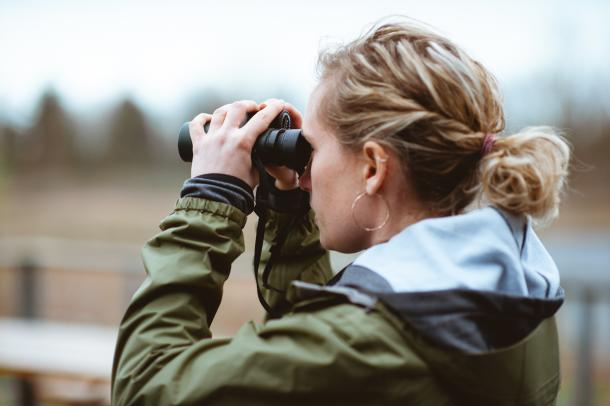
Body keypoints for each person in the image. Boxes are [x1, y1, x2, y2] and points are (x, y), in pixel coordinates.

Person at [112, 18, 570, 405]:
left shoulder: (366, 343)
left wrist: (212, 197)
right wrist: (291, 205)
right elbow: (310, 357)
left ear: (373, 167)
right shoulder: (510, 293)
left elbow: (145, 385)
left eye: (311, 149)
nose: (304, 169)